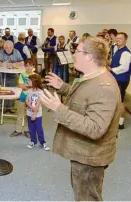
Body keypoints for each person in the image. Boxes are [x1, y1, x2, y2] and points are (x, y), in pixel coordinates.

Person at [39, 36, 121, 201]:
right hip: (84, 153)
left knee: (87, 197)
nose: (73, 54)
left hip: (90, 157)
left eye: (77, 51)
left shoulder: (104, 87)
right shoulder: (93, 77)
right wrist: (62, 87)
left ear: (89, 57)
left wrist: (59, 109)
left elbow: (95, 128)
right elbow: (84, 98)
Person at [106, 32, 131, 129]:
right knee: (115, 99)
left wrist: (111, 69)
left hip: (121, 79)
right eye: (117, 38)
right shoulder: (118, 50)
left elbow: (124, 68)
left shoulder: (126, 52)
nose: (117, 40)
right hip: (116, 78)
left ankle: (121, 123)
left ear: (125, 40)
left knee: (120, 101)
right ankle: (116, 119)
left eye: (120, 38)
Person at [10, 58, 35, 137]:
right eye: (26, 66)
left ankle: (27, 130)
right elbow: (20, 85)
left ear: (33, 66)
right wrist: (27, 86)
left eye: (30, 66)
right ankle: (18, 130)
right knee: (20, 114)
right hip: (22, 97)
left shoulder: (35, 76)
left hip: (31, 98)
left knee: (28, 115)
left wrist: (28, 86)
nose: (28, 67)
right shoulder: (22, 74)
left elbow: (35, 86)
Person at [26, 74, 50, 151]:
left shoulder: (40, 92)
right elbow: (26, 101)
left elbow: (38, 104)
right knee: (31, 128)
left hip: (37, 114)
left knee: (39, 128)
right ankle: (33, 141)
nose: (28, 81)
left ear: (34, 82)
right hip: (29, 113)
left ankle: (43, 142)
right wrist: (31, 107)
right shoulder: (29, 91)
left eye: (29, 80)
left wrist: (34, 113)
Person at [0, 40, 24, 113]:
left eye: (9, 48)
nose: (8, 49)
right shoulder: (1, 52)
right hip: (3, 75)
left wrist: (13, 64)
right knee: (4, 90)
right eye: (6, 48)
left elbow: (22, 62)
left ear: (13, 47)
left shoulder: (16, 52)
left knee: (12, 90)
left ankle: (11, 107)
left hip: (13, 74)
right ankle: (4, 106)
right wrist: (5, 64)